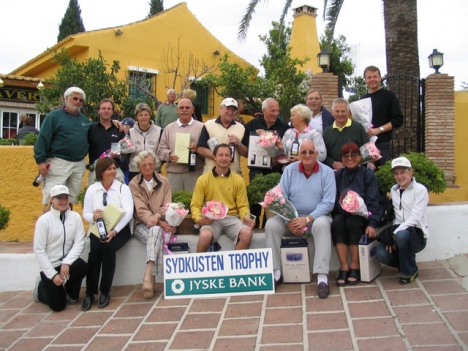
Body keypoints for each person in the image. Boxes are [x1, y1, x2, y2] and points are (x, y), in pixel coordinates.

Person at [264, 140, 336, 298]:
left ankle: (322, 276)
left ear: (317, 154)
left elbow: (329, 202)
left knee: (323, 224)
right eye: (303, 152)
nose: (307, 155)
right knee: (271, 225)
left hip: (316, 218)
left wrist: (308, 219)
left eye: (311, 152)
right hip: (292, 219)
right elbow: (281, 198)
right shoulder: (289, 170)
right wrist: (289, 221)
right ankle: (276, 273)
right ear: (299, 154)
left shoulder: (328, 172)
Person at [81, 157, 134, 311]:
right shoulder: (92, 189)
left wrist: (114, 231)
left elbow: (128, 212)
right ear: (101, 172)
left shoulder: (122, 188)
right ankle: (90, 292)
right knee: (95, 250)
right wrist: (94, 217)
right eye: (108, 169)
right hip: (99, 227)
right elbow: (86, 213)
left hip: (119, 228)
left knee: (108, 248)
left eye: (114, 168)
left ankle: (105, 291)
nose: (112, 172)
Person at [331, 142, 383, 286]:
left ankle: (355, 265)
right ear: (341, 158)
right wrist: (346, 207)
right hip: (341, 213)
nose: (350, 158)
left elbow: (373, 202)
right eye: (345, 155)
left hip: (361, 217)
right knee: (337, 222)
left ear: (360, 157)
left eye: (354, 155)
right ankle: (344, 267)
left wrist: (372, 224)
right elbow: (333, 200)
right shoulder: (336, 176)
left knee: (352, 222)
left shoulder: (368, 175)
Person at [34, 87, 91, 213]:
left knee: (70, 200)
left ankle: (66, 231)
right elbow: (43, 138)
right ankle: (47, 231)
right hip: (58, 163)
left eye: (81, 100)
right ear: (66, 99)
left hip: (78, 164)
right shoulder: (54, 116)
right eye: (75, 98)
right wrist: (41, 161)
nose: (78, 102)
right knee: (53, 199)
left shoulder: (85, 121)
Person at [32, 184, 88, 312]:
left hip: (66, 265)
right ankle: (41, 288)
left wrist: (67, 262)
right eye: (59, 198)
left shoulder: (75, 217)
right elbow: (39, 250)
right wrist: (52, 275)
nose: (63, 202)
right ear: (52, 199)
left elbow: (80, 242)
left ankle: (69, 292)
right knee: (58, 306)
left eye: (65, 198)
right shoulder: (44, 221)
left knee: (82, 266)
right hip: (51, 267)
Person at [190, 143, 255, 252]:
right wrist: (199, 219)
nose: (224, 158)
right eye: (220, 155)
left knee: (247, 234)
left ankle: (234, 265)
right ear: (214, 157)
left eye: (227, 155)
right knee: (205, 236)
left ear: (231, 158)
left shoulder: (238, 180)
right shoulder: (203, 180)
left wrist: (246, 218)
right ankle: (199, 267)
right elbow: (195, 204)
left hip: (232, 217)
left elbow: (243, 205)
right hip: (211, 219)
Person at [129, 150, 175, 298]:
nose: (147, 167)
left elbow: (167, 204)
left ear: (155, 165)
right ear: (139, 166)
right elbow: (140, 209)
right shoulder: (134, 183)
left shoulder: (164, 181)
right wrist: (157, 221)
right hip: (141, 224)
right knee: (155, 230)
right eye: (144, 165)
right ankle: (151, 277)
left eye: (150, 164)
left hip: (158, 223)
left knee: (155, 232)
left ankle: (148, 276)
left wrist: (158, 216)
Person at [376, 156, 429, 285]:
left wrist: (395, 234)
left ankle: (410, 271)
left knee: (402, 235)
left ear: (411, 171)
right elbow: (397, 216)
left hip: (416, 234)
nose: (400, 176)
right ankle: (405, 262)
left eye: (403, 172)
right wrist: (391, 235)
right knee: (381, 254)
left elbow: (415, 218)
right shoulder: (394, 190)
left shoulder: (420, 190)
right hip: (399, 233)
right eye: (396, 173)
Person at [157, 98, 205, 192]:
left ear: (193, 109)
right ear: (177, 110)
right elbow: (160, 150)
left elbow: (207, 150)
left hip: (194, 173)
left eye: (187, 107)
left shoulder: (201, 127)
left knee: (194, 203)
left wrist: (197, 149)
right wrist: (170, 154)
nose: (184, 110)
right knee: (174, 203)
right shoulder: (169, 128)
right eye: (181, 107)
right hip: (174, 173)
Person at [361, 66, 404, 166]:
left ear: (380, 78)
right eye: (369, 77)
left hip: (382, 144)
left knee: (382, 174)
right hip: (366, 145)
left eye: (375, 77)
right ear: (365, 80)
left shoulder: (389, 96)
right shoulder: (362, 99)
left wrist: (378, 129)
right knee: (368, 175)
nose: (372, 80)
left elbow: (398, 120)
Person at [242, 97, 291, 181]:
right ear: (264, 110)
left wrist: (279, 154)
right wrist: (254, 134)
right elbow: (245, 149)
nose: (276, 113)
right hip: (256, 170)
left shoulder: (284, 127)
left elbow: (287, 151)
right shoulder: (252, 125)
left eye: (277, 111)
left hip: (277, 171)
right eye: (273, 110)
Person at [197, 98, 246, 175]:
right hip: (211, 174)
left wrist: (238, 143)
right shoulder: (208, 125)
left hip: (234, 174)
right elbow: (200, 149)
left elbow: (246, 153)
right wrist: (217, 157)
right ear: (220, 109)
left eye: (233, 110)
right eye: (228, 109)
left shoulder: (241, 128)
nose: (230, 112)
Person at [323, 98, 371, 171]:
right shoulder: (327, 132)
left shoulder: (358, 127)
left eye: (343, 111)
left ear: (348, 112)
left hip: (357, 171)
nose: (340, 114)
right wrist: (332, 163)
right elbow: (323, 155)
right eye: (337, 111)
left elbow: (368, 149)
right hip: (335, 173)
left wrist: (370, 162)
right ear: (332, 112)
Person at [87, 99, 126, 185]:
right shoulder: (91, 128)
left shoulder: (119, 129)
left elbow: (125, 149)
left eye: (109, 109)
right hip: (96, 170)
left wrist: (120, 154)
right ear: (98, 111)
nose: (106, 111)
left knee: (119, 195)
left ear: (112, 112)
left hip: (115, 169)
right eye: (103, 108)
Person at [128, 103, 162, 182]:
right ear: (136, 117)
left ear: (150, 115)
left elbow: (161, 151)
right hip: (135, 171)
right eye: (140, 115)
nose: (143, 117)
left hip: (154, 171)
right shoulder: (130, 132)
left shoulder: (159, 131)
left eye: (146, 115)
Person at [120, 117, 135, 184]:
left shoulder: (132, 135)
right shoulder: (120, 135)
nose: (125, 128)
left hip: (129, 163)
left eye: (125, 126)